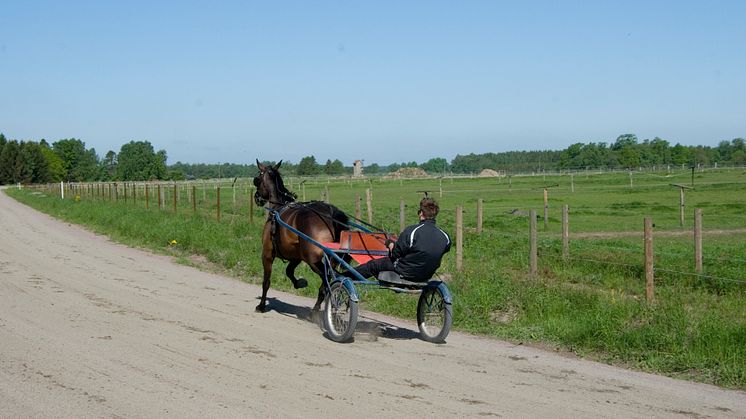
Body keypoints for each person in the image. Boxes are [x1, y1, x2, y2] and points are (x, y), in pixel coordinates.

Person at [343, 197, 451, 282]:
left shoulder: (412, 231)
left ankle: (344, 277)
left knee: (373, 265)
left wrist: (390, 244)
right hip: (427, 274)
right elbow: (439, 250)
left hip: (404, 271)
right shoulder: (445, 236)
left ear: (421, 213)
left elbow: (395, 254)